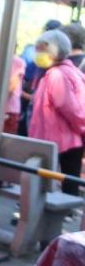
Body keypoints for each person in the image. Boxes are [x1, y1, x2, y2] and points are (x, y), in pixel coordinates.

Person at [28, 29, 85, 196]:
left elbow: (72, 110)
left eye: (42, 48)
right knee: (68, 181)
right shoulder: (67, 71)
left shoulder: (57, 74)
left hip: (58, 142)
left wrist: (82, 128)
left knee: (50, 184)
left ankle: (53, 216)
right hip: (66, 140)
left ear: (55, 50)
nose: (38, 52)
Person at [3, 52, 26, 134]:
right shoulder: (18, 61)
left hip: (8, 109)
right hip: (8, 108)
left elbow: (12, 87)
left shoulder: (17, 61)